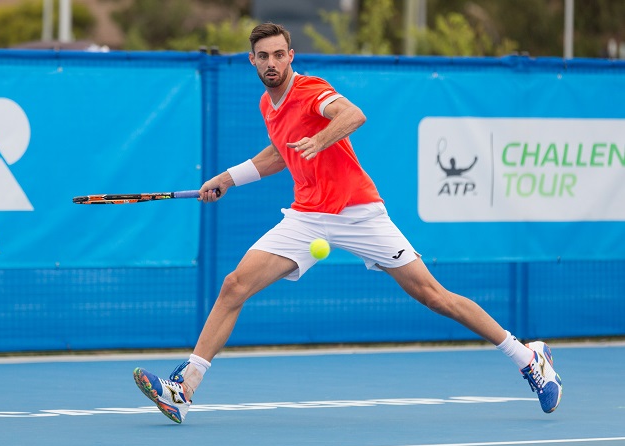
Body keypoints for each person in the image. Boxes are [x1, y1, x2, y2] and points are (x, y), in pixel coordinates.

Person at [133, 22, 562, 424]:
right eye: (262, 56)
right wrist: (228, 178)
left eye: (279, 55)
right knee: (234, 285)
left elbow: (354, 115)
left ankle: (527, 358)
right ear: (252, 61)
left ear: (290, 56)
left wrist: (319, 140)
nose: (271, 63)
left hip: (358, 212)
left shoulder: (311, 90)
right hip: (306, 216)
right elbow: (281, 153)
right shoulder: (268, 103)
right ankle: (184, 388)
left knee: (434, 296)